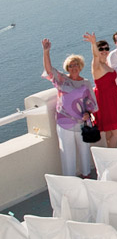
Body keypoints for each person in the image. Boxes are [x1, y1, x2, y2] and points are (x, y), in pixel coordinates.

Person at [41, 39, 97, 177]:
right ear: (67, 68)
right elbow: (49, 70)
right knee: (67, 153)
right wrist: (46, 52)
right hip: (64, 122)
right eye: (71, 65)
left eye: (76, 65)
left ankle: (86, 176)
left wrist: (88, 113)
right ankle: (70, 180)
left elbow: (92, 103)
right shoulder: (61, 79)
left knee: (84, 151)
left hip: (82, 123)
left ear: (81, 66)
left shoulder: (85, 83)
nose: (74, 67)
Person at [82, 33, 117, 149]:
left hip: (113, 98)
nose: (104, 51)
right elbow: (96, 56)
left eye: (106, 48)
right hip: (105, 100)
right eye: (101, 49)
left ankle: (109, 156)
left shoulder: (105, 64)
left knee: (110, 131)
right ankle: (112, 155)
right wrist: (93, 43)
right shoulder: (96, 65)